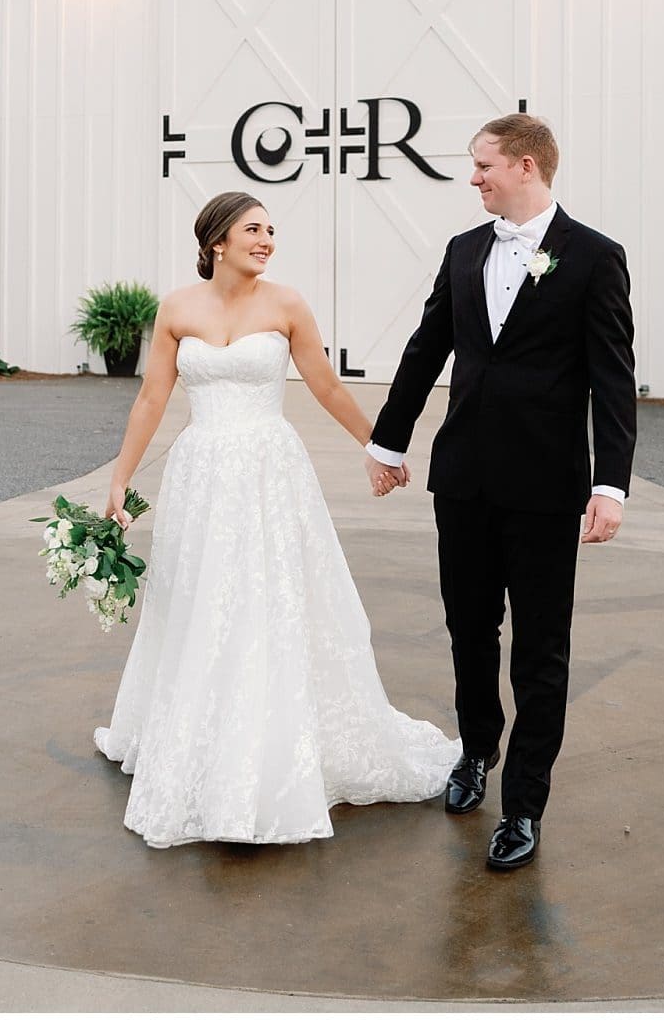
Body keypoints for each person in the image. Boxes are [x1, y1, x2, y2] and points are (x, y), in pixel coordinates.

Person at [94, 193, 461, 848]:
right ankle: (197, 736)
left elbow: (326, 385)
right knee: (201, 602)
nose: (266, 239)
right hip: (201, 474)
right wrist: (120, 476)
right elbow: (153, 395)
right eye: (253, 229)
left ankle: (268, 751)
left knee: (268, 601)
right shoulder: (177, 307)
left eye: (271, 230)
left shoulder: (286, 303)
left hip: (269, 472)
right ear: (216, 241)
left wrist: (380, 447)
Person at [366, 113, 636, 872]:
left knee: (542, 651)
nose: (474, 177)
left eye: (483, 164)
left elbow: (614, 381)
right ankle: (475, 750)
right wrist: (389, 442)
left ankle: (523, 804)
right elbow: (425, 351)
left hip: (548, 488)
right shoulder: (463, 251)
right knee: (468, 628)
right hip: (464, 481)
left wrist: (609, 484)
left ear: (525, 165)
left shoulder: (593, 257)